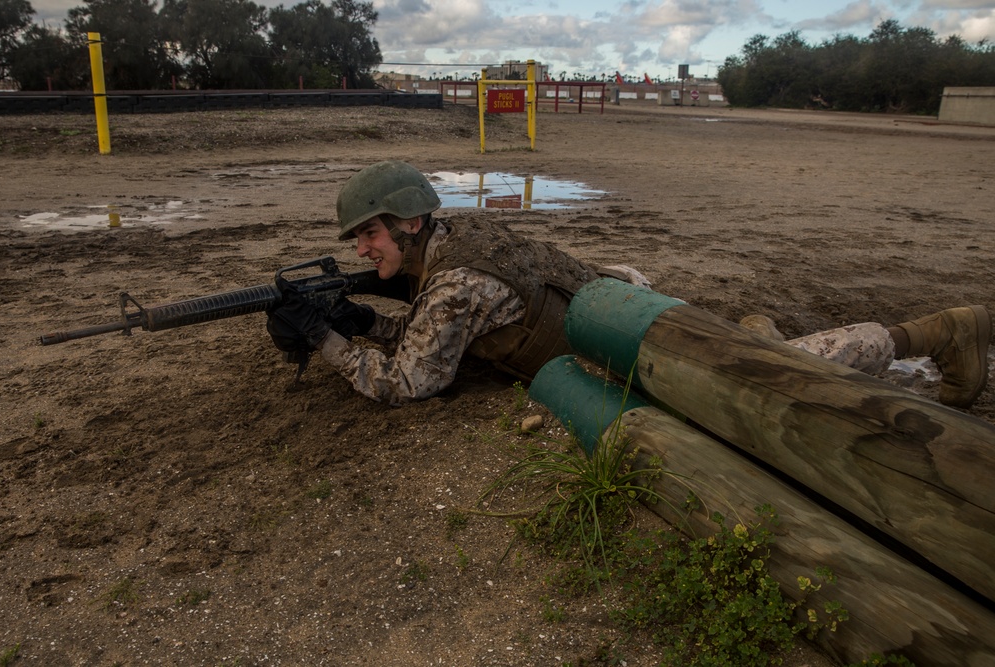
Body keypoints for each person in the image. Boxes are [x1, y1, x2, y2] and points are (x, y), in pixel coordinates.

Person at [266, 160, 991, 409]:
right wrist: (365, 323)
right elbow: (434, 335)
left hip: (638, 340)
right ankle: (756, 328)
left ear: (412, 223)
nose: (364, 246)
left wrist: (328, 338)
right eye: (360, 238)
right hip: (622, 306)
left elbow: (405, 384)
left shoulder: (454, 279)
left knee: (781, 374)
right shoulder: (460, 241)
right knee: (749, 345)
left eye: (370, 232)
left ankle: (933, 333)